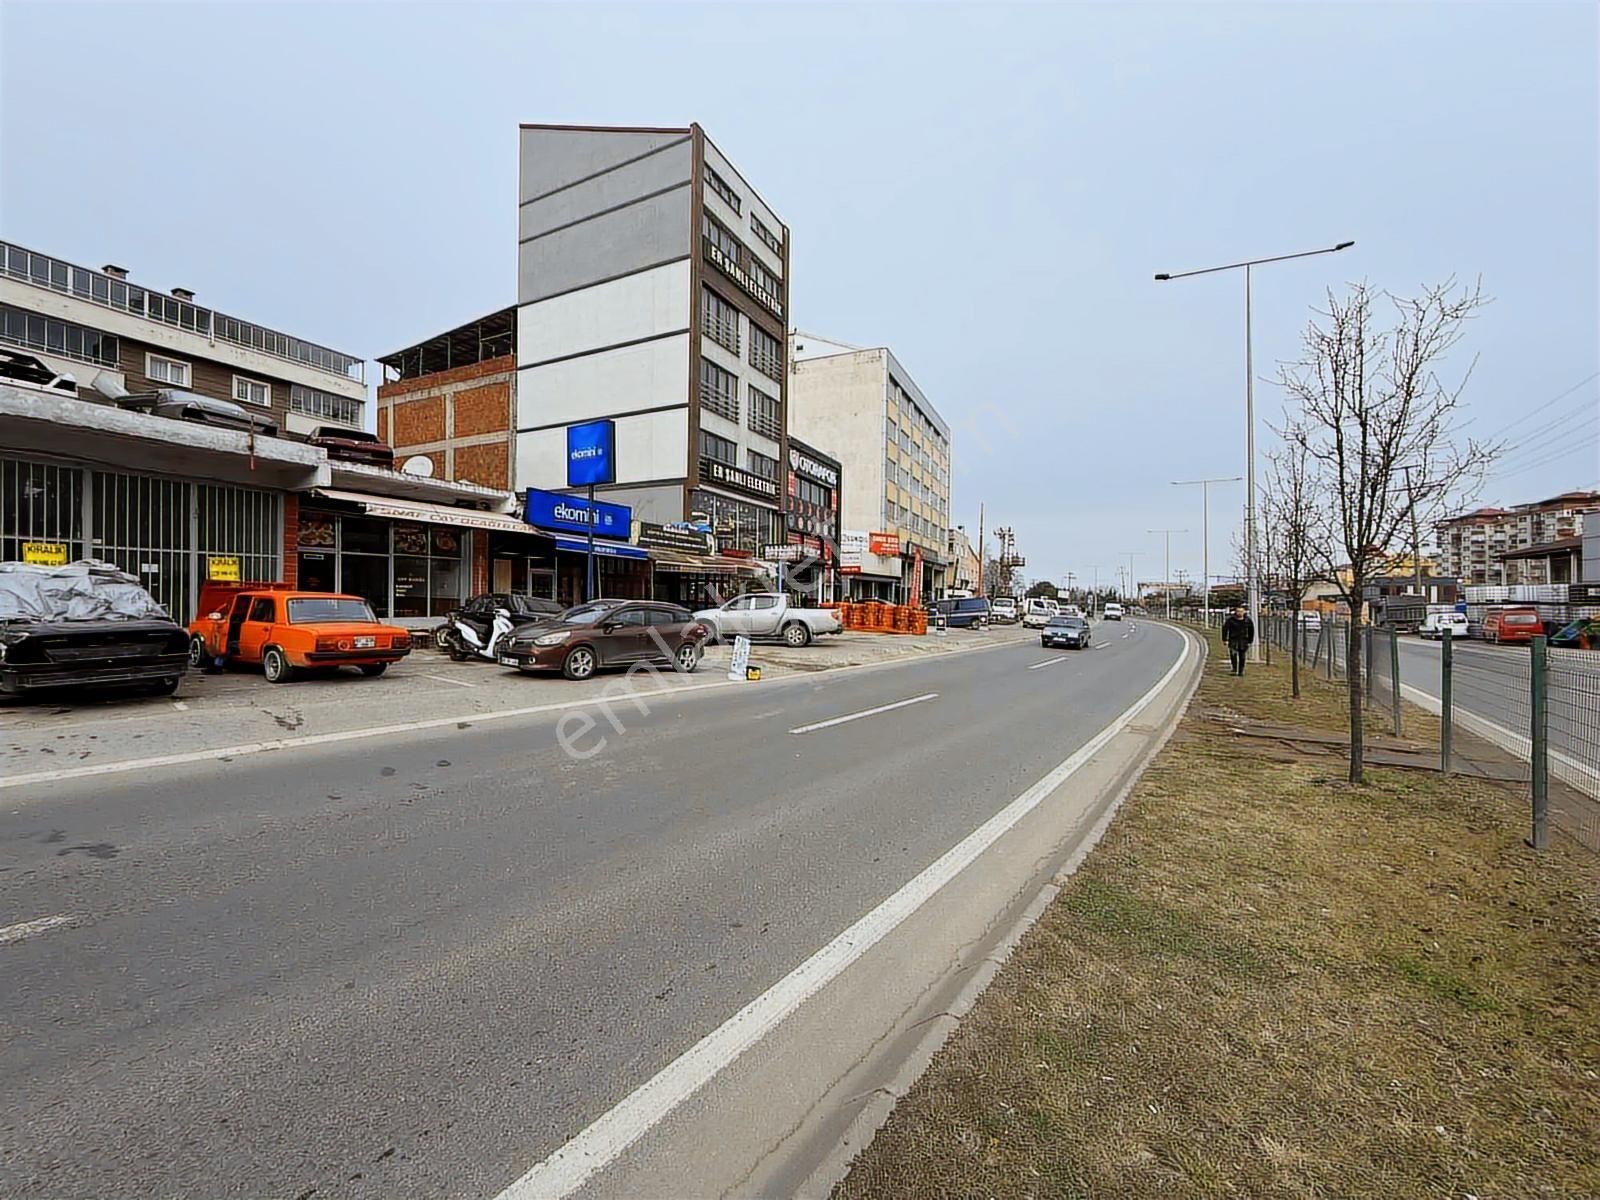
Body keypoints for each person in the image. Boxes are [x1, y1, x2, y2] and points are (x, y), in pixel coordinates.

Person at [1221, 605, 1255, 676]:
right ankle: (1234, 669)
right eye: (1238, 611)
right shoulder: (1230, 620)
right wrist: (1225, 639)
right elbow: (1225, 629)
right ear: (1235, 612)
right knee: (1233, 654)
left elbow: (1251, 631)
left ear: (1244, 612)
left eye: (1241, 611)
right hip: (1233, 640)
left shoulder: (1247, 620)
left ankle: (1241, 671)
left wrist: (1250, 640)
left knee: (1242, 656)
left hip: (1243, 640)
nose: (1240, 613)